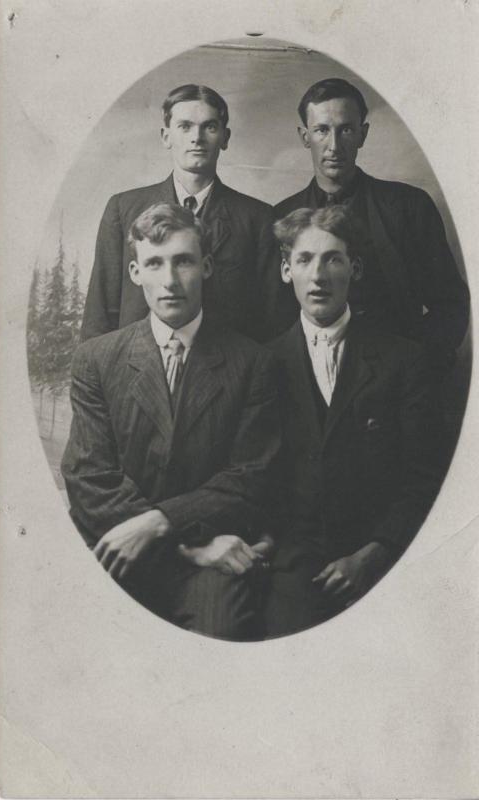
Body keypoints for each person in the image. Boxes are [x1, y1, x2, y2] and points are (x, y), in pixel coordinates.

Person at [62, 203, 280, 640]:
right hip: (120, 548)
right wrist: (188, 548)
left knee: (219, 636)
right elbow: (89, 475)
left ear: (207, 266)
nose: (170, 280)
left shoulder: (252, 362)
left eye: (183, 261)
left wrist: (161, 523)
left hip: (211, 568)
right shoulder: (96, 359)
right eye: (155, 263)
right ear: (134, 271)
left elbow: (250, 479)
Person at [265, 205, 443, 637]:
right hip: (293, 567)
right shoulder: (262, 364)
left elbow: (426, 476)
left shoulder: (405, 361)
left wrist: (374, 554)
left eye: (333, 259)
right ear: (287, 270)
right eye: (305, 260)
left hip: (385, 560)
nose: (319, 275)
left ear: (355, 268)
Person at [274, 78, 470, 365]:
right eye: (322, 131)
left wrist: (411, 368)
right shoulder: (282, 216)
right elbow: (273, 316)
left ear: (363, 134)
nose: (334, 145)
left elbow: (451, 306)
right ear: (305, 137)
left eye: (346, 130)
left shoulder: (409, 207)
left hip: (400, 374)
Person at [81, 84, 280, 343]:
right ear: (166, 137)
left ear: (225, 137)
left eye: (209, 127)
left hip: (227, 374)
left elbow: (271, 322)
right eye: (185, 126)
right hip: (138, 371)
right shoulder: (123, 209)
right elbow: (99, 316)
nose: (196, 137)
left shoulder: (257, 219)